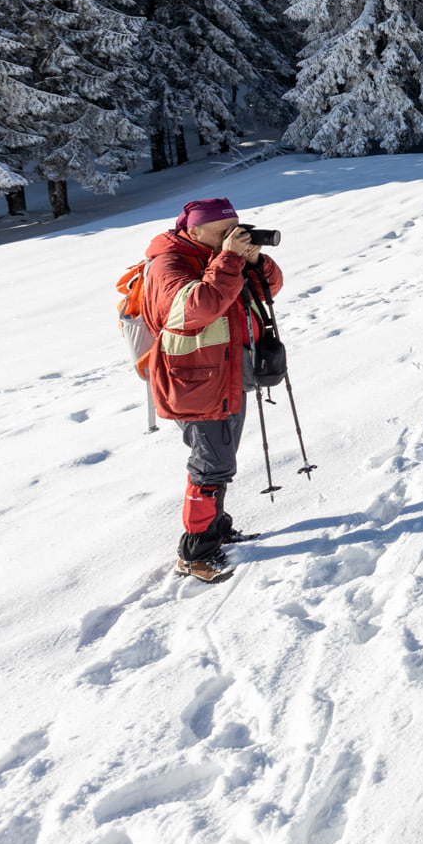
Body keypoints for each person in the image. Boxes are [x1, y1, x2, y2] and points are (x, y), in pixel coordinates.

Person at [141, 197, 284, 581]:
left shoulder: (214, 254)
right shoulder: (168, 265)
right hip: (193, 382)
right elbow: (196, 309)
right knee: (210, 465)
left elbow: (271, 287)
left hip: (224, 374)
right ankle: (195, 551)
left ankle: (217, 528)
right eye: (223, 231)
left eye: (235, 228)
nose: (232, 237)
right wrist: (230, 259)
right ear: (194, 230)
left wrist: (252, 261)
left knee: (222, 459)